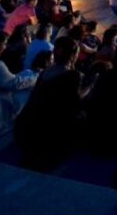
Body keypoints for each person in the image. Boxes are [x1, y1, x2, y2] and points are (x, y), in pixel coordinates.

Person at [14, 35, 89, 168]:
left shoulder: (45, 72)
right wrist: (90, 87)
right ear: (73, 55)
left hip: (28, 123)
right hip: (49, 128)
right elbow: (74, 102)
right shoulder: (73, 75)